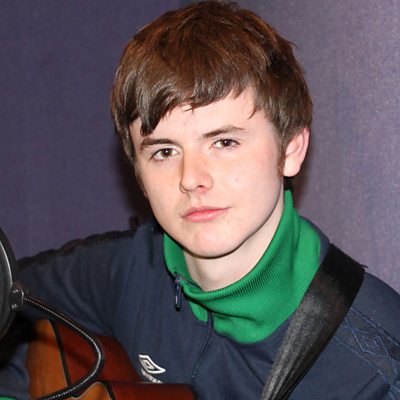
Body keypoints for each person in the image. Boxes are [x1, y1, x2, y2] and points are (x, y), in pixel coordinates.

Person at [1, 1, 400, 399]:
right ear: (138, 174)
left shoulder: (376, 367)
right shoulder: (130, 271)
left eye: (224, 142)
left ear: (291, 149)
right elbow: (15, 294)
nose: (191, 178)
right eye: (164, 152)